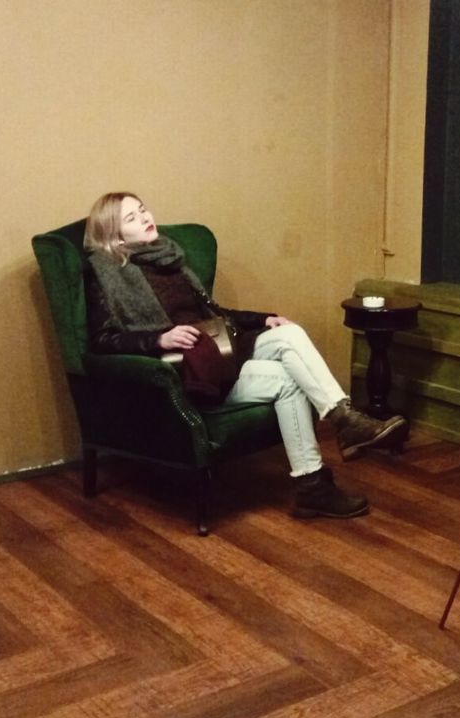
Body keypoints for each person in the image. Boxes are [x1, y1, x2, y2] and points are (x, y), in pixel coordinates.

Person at [81, 191, 405, 519]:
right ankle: (335, 442)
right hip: (186, 372)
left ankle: (322, 467)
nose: (145, 217)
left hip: (219, 354)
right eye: (131, 218)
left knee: (287, 333)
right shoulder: (106, 273)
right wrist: (159, 338)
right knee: (288, 378)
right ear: (114, 233)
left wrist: (263, 318)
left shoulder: (170, 259)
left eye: (143, 209)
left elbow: (216, 316)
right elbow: (103, 340)